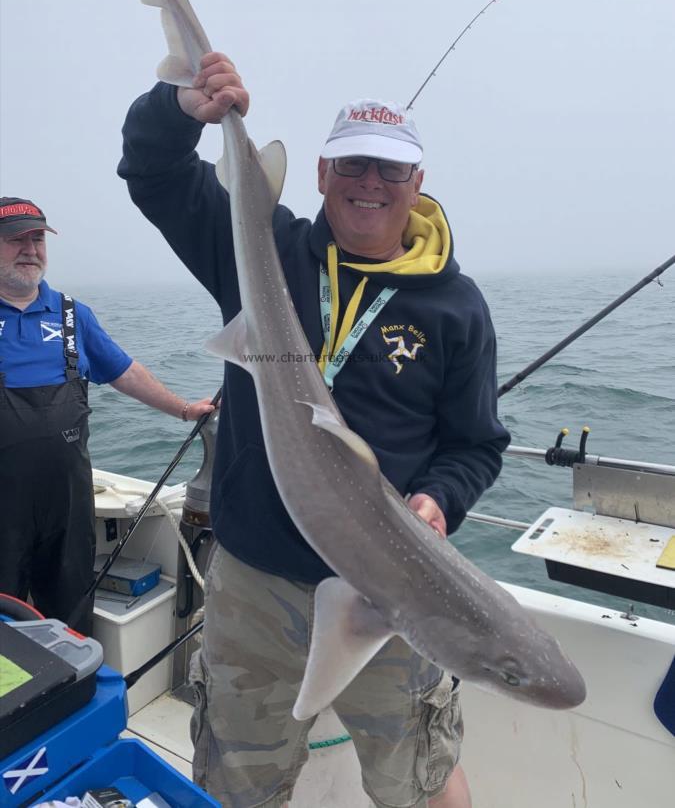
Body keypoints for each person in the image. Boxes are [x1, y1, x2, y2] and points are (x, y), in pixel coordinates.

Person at [118, 54, 510, 808]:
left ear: (417, 183)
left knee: (418, 770)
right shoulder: (260, 243)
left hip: (396, 590)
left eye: (391, 170)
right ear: (323, 171)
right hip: (254, 585)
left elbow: (475, 444)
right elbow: (153, 173)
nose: (371, 183)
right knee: (238, 772)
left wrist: (438, 499)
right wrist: (179, 108)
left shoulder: (456, 307)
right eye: (354, 164)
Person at [0, 196, 216, 634]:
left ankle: (71, 691)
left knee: (70, 605)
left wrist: (183, 409)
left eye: (37, 239)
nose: (30, 249)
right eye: (15, 240)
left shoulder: (70, 314)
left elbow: (124, 372)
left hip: (67, 501)